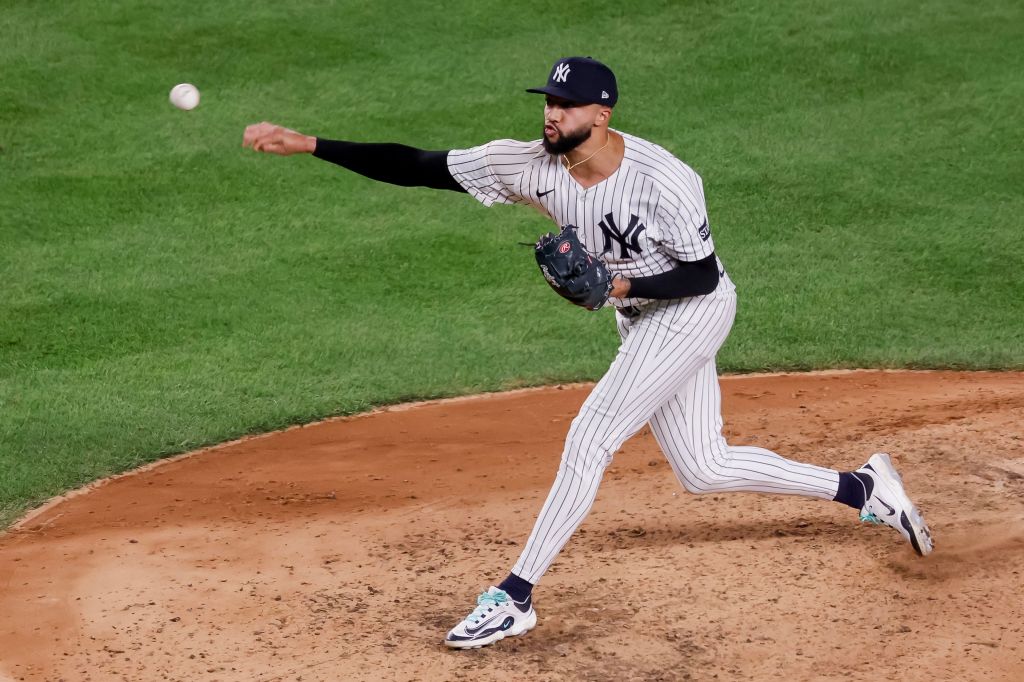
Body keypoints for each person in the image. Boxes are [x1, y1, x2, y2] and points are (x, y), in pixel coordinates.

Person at [242, 56, 933, 650]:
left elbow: (700, 276)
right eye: (548, 100)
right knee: (703, 467)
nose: (551, 113)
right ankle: (864, 488)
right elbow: (419, 166)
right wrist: (310, 144)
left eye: (566, 105)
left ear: (601, 115)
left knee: (590, 435)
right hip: (639, 319)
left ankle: (515, 596)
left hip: (691, 310)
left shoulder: (665, 179)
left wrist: (620, 284)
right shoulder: (527, 164)